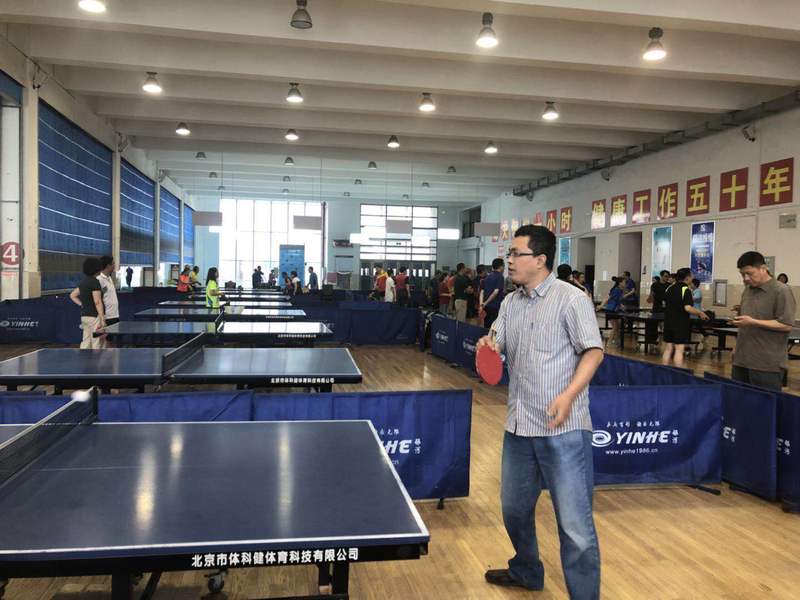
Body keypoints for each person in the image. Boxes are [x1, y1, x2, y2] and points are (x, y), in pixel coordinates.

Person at [477, 225, 604, 598]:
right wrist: (489, 345)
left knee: (575, 527)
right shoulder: (510, 303)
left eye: (516, 253)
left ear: (540, 260)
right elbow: (497, 342)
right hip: (519, 427)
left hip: (563, 429)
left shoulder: (571, 299)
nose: (509, 260)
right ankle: (527, 570)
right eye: (510, 254)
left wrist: (568, 395)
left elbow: (593, 351)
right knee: (514, 509)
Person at [730, 251, 796, 390]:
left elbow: (786, 324)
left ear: (763, 268)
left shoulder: (781, 291)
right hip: (741, 361)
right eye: (742, 274)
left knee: (764, 402)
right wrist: (736, 347)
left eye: (749, 273)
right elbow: (744, 323)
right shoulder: (747, 291)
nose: (746, 278)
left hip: (766, 365)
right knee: (738, 400)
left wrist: (753, 322)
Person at [661, 268, 709, 368]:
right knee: (679, 349)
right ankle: (678, 373)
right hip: (680, 324)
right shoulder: (686, 290)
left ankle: (663, 370)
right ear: (687, 278)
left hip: (668, 322)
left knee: (668, 348)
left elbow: (664, 303)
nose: (693, 277)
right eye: (691, 275)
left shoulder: (669, 288)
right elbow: (687, 308)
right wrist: (700, 313)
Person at [69, 257, 106, 349]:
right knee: (96, 342)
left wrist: (82, 304)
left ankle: (83, 358)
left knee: (86, 341)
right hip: (94, 317)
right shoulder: (95, 282)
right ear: (96, 268)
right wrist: (102, 319)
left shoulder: (83, 282)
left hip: (84, 317)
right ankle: (96, 359)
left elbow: (72, 295)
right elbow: (97, 302)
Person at [480, 258, 505, 331]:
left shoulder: (487, 277)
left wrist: (482, 304)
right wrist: (486, 302)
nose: (504, 268)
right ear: (501, 266)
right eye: (504, 266)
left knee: (486, 326)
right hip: (495, 306)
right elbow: (495, 292)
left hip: (486, 307)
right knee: (494, 328)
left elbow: (482, 292)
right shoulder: (500, 276)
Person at [97, 256, 119, 330]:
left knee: (113, 336)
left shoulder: (109, 278)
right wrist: (102, 317)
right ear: (108, 266)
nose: (114, 265)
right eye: (113, 264)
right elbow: (97, 299)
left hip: (114, 315)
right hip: (106, 317)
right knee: (106, 337)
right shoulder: (99, 280)